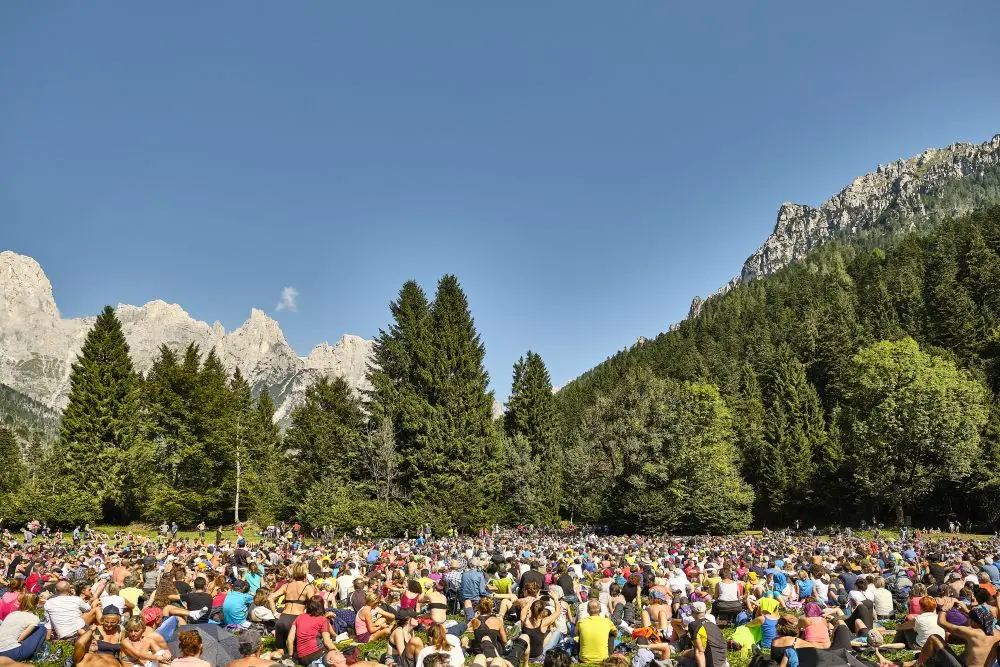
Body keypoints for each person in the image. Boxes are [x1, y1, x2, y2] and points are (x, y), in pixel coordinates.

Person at [269, 562, 317, 655]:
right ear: (304, 572)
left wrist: (275, 613)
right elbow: (313, 605)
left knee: (280, 651)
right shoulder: (307, 587)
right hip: (297, 620)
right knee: (297, 652)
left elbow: (271, 598)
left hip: (283, 619)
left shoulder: (286, 585)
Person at [287, 596, 336, 666]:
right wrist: (337, 652)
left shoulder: (300, 617)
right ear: (321, 606)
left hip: (301, 658)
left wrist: (290, 655)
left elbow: (290, 639)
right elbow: (327, 642)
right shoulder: (322, 619)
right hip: (317, 653)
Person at [0, 594, 46, 663]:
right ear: (36, 604)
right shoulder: (34, 618)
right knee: (42, 629)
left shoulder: (12, 614)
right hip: (11, 653)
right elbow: (20, 638)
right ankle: (33, 658)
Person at [576, 599, 616, 664]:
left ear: (588, 611)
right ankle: (609, 657)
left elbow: (577, 634)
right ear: (600, 610)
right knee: (611, 634)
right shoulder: (607, 622)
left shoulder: (581, 622)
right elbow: (615, 633)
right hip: (603, 659)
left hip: (584, 659)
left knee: (581, 634)